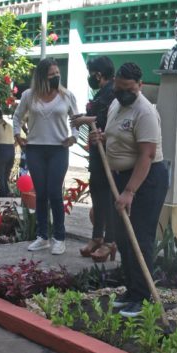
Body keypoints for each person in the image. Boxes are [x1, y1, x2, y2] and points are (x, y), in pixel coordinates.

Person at [89, 62, 168, 317]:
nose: (123, 93)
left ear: (140, 86)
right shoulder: (115, 104)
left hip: (146, 181)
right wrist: (102, 138)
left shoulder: (144, 111)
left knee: (140, 239)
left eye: (129, 89)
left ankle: (143, 299)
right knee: (122, 238)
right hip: (121, 179)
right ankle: (132, 290)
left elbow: (147, 155)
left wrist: (130, 191)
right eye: (119, 87)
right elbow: (116, 135)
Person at [13, 57, 79, 255]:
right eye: (51, 75)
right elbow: (17, 116)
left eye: (57, 74)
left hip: (58, 149)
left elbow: (75, 119)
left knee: (54, 192)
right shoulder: (28, 95)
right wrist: (17, 135)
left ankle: (59, 237)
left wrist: (73, 137)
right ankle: (42, 236)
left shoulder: (67, 95)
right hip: (35, 149)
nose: (56, 77)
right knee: (40, 193)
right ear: (41, 77)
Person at [70, 56, 117, 262]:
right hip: (96, 152)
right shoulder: (102, 92)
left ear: (98, 74)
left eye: (91, 74)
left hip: (110, 152)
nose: (91, 78)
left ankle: (110, 241)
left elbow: (107, 118)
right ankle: (97, 237)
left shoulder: (114, 92)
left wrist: (84, 119)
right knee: (97, 194)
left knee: (109, 198)